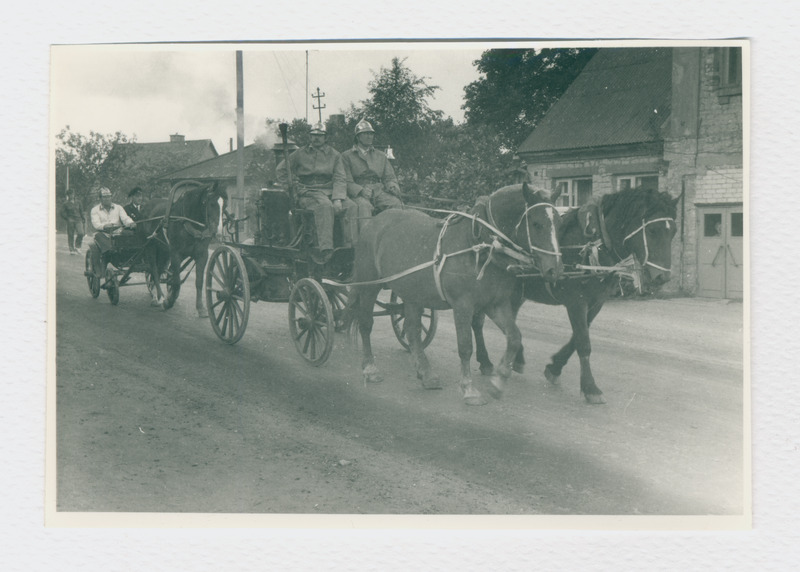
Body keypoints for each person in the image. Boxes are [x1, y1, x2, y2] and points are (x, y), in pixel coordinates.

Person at [276, 122, 359, 262]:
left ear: (325, 138)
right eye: (313, 135)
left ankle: (351, 247)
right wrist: (293, 188)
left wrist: (338, 198)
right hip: (308, 192)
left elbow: (340, 177)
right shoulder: (299, 154)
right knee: (325, 206)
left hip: (330, 190)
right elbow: (281, 170)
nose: (316, 138)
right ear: (310, 137)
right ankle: (325, 249)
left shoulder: (335, 155)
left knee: (351, 206)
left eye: (320, 136)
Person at [341, 120, 403, 232]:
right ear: (358, 137)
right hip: (358, 193)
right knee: (364, 207)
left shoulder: (380, 155)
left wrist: (392, 186)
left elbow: (389, 177)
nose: (369, 136)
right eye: (366, 134)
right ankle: (366, 240)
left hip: (378, 190)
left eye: (371, 134)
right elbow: (346, 180)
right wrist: (360, 190)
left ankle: (392, 237)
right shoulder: (347, 156)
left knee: (395, 204)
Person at [89, 187, 136, 271]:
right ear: (100, 198)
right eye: (105, 197)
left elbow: (125, 218)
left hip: (118, 232)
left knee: (131, 234)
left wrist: (131, 223)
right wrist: (104, 226)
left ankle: (129, 258)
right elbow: (96, 224)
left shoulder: (118, 208)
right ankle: (109, 258)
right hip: (103, 233)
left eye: (109, 196)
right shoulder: (95, 210)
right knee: (100, 238)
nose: (107, 199)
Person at [60, 191, 86, 255]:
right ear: (68, 195)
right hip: (70, 220)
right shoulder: (65, 204)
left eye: (72, 194)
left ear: (74, 194)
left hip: (78, 220)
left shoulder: (78, 202)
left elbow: (81, 211)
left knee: (81, 233)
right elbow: (62, 213)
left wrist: (83, 218)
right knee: (71, 235)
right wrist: (67, 218)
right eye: (70, 194)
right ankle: (71, 249)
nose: (71, 195)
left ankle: (77, 247)